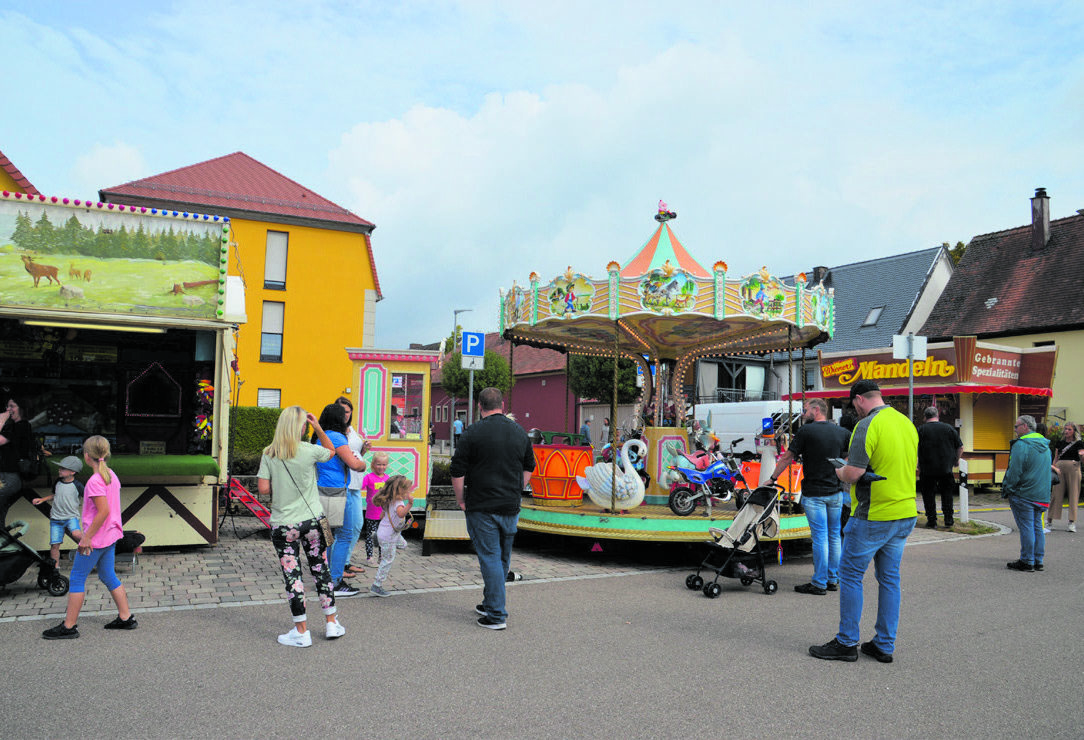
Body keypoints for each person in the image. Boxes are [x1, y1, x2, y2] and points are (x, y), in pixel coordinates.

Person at [809, 380, 917, 664]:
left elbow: (854, 473)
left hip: (873, 514)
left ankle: (846, 643)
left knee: (850, 575)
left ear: (859, 400)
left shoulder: (867, 425)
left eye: (853, 405)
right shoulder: (906, 422)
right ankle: (884, 644)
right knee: (890, 579)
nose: (854, 411)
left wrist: (839, 471)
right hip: (904, 511)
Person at [257, 406, 345, 647]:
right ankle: (331, 623)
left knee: (292, 576)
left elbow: (263, 489)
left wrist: (282, 488)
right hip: (315, 521)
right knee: (321, 570)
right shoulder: (309, 450)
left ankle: (301, 631)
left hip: (284, 525)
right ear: (302, 426)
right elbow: (331, 451)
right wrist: (318, 426)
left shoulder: (269, 453)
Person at [450, 387, 535, 630]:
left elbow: (457, 471)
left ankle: (496, 615)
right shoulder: (519, 432)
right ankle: (490, 602)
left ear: (479, 406)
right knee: (501, 557)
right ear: (502, 404)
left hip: (481, 505)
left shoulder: (472, 433)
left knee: (489, 558)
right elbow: (530, 465)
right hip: (510, 505)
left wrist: (461, 499)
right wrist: (518, 487)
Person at [42, 436, 137, 639]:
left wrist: (86, 538)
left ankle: (69, 627)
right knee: (107, 575)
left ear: (86, 456)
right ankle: (126, 617)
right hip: (110, 536)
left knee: (76, 578)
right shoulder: (111, 475)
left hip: (96, 540)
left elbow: (103, 512)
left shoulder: (94, 481)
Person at [767, 398, 850, 595]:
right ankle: (832, 578)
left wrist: (772, 478)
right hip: (836, 492)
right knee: (835, 536)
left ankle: (819, 582)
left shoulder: (806, 431)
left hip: (814, 493)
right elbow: (847, 458)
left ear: (816, 410)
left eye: (805, 410)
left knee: (820, 537)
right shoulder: (843, 432)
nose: (803, 414)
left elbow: (788, 457)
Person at [312, 403, 368, 598]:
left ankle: (324, 579)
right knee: (344, 534)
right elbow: (354, 464)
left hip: (322, 490)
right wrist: (363, 463)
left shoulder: (320, 437)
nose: (346, 417)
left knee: (327, 536)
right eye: (343, 415)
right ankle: (335, 581)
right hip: (336, 492)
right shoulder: (336, 437)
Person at [1003, 415, 1052, 571]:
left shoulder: (1022, 445)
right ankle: (1038, 559)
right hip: (1041, 494)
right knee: (1037, 526)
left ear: (1025, 427)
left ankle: (1027, 560)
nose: (1015, 430)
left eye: (1016, 426)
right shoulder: (1045, 445)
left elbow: (1015, 470)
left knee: (1026, 527)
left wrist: (1008, 488)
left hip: (1024, 492)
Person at [334, 396, 372, 578]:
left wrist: (364, 450)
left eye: (348, 412)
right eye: (342, 411)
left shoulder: (351, 430)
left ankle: (344, 561)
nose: (345, 415)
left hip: (356, 484)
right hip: (344, 485)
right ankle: (337, 567)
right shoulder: (334, 432)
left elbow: (354, 452)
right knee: (345, 529)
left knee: (356, 525)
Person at [32, 456, 85, 567]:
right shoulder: (57, 482)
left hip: (71, 517)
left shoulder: (78, 486)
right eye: (60, 468)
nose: (59, 470)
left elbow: (88, 499)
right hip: (56, 518)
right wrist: (42, 499)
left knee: (77, 534)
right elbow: (55, 495)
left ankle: (92, 548)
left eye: (63, 469)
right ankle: (55, 568)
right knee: (55, 545)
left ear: (73, 472)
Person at [917, 407, 963, 529]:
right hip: (946, 469)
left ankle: (932, 520)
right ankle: (948, 519)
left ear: (925, 417)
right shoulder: (949, 428)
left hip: (927, 469)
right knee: (947, 494)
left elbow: (914, 448)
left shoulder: (920, 430)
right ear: (938, 416)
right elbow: (960, 447)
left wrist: (917, 464)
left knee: (928, 495)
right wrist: (956, 460)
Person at [368, 475, 414, 597]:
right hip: (389, 535)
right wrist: (409, 504)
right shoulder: (398, 503)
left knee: (403, 545)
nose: (409, 492)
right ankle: (376, 585)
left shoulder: (388, 500)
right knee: (387, 560)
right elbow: (401, 514)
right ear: (401, 490)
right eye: (407, 490)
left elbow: (381, 516)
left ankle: (378, 539)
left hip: (389, 532)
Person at [0, 396, 33, 516]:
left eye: (12, 406)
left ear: (21, 409)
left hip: (11, 476)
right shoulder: (12, 426)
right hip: (5, 474)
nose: (8, 409)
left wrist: (2, 420)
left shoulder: (21, 426)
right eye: (7, 406)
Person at [1048, 421, 1082, 533]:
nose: (1067, 431)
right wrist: (1053, 467)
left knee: (1074, 494)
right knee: (1056, 495)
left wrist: (1082, 456)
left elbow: (1082, 458)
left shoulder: (1079, 443)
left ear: (1074, 431)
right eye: (1066, 429)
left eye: (1069, 429)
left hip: (1074, 468)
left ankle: (1072, 522)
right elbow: (1056, 457)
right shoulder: (1060, 443)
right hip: (1059, 469)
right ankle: (1049, 521)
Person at [361, 451, 390, 566]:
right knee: (371, 536)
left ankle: (381, 557)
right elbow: (359, 487)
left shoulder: (388, 479)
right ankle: (369, 557)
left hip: (384, 514)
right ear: (373, 464)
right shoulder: (368, 477)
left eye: (383, 464)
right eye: (378, 464)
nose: (381, 467)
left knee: (383, 537)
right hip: (372, 514)